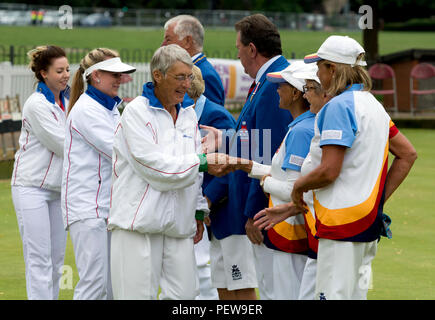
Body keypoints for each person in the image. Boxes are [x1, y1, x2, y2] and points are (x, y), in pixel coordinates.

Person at [257, 35, 417, 300]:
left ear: (332, 68)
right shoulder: (373, 105)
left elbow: (329, 170)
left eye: (320, 66)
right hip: (363, 225)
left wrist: (297, 187)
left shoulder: (338, 105)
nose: (317, 73)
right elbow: (407, 154)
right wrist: (375, 203)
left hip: (340, 226)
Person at [107, 44, 230, 300]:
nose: (186, 84)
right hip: (137, 226)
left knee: (185, 295)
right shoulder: (136, 113)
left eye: (189, 77)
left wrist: (197, 210)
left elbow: (193, 174)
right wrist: (203, 161)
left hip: (178, 226)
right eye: (179, 77)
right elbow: (154, 167)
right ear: (158, 75)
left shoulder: (187, 115)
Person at [61, 48, 136, 300]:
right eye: (113, 73)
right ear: (95, 77)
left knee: (113, 285)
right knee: (94, 284)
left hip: (107, 207)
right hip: (88, 208)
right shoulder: (87, 110)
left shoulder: (109, 107)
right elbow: (119, 151)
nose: (119, 79)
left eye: (121, 74)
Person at [254, 68, 331, 300]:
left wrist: (265, 181)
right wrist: (250, 168)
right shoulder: (302, 127)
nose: (277, 89)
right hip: (291, 229)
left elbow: (292, 189)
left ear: (297, 94)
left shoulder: (301, 131)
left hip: (291, 231)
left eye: (282, 85)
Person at [11, 45, 70, 300]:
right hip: (30, 187)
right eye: (59, 71)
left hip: (58, 190)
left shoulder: (68, 101)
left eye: (68, 69)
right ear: (44, 73)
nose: (66, 74)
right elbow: (62, 144)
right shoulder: (36, 104)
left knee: (57, 261)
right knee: (39, 260)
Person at [185, 66, 236, 300]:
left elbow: (231, 167)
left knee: (206, 274)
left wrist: (207, 199)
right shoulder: (184, 113)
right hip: (189, 206)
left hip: (211, 210)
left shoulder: (218, 117)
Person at [162, 15, 226, 106]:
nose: (163, 46)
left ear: (187, 41)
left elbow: (212, 117)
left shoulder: (205, 76)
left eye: (168, 40)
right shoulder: (195, 70)